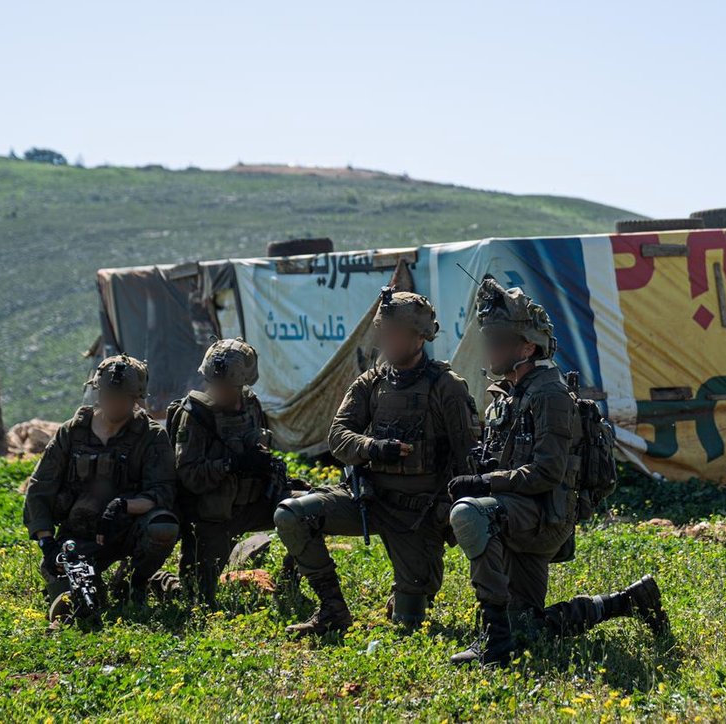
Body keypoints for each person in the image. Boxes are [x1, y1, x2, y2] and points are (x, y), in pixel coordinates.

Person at [446, 277, 668, 666]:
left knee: (468, 513)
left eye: (499, 340)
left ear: (527, 347)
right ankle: (627, 602)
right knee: (528, 629)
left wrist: (484, 482)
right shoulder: (508, 394)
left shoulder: (549, 394)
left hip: (543, 516)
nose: (490, 348)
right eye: (489, 339)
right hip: (516, 513)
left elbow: (546, 473)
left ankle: (495, 641)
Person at [274, 288, 478, 636]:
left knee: (409, 622)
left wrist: (447, 513)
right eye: (383, 331)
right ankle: (333, 609)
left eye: (395, 333)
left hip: (417, 516)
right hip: (368, 501)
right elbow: (338, 436)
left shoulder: (447, 387)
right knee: (291, 515)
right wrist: (372, 447)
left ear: (420, 337)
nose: (386, 340)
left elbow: (468, 459)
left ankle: (406, 594)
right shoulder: (372, 383)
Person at [22, 355, 180, 622]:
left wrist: (122, 507)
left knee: (163, 526)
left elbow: (163, 492)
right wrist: (48, 544)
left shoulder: (151, 436)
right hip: (80, 535)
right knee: (73, 598)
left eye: (122, 398)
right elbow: (39, 490)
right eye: (108, 395)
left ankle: (135, 582)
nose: (113, 402)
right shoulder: (71, 433)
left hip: (128, 531)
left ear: (136, 398)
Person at [170, 338, 287, 605]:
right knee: (196, 596)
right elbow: (188, 475)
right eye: (216, 383)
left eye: (228, 386)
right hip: (212, 517)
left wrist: (265, 464)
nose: (220, 390)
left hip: (251, 505)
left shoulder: (251, 405)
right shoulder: (196, 414)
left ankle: (289, 583)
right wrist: (232, 464)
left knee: (305, 511)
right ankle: (159, 581)